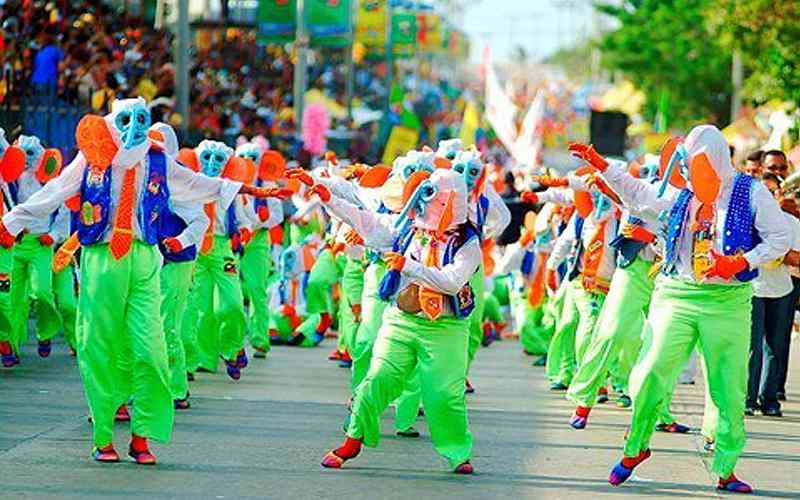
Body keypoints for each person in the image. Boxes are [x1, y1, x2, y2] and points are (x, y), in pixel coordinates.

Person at [0, 98, 286, 464]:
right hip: (103, 258)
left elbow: (195, 183)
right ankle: (103, 434)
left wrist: (248, 190)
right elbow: (54, 191)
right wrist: (12, 222)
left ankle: (142, 434)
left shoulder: (156, 159)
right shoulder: (92, 156)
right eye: (126, 119)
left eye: (140, 119)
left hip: (145, 257)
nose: (133, 126)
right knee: (100, 344)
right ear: (112, 122)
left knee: (151, 347)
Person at [574, 124, 789, 493]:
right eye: (689, 163)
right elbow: (640, 196)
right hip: (676, 292)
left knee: (728, 388)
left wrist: (739, 263)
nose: (692, 170)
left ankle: (725, 468)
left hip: (728, 302)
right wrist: (601, 164)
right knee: (648, 372)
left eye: (700, 163)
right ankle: (635, 447)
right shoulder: (683, 194)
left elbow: (780, 238)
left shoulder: (750, 192)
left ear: (717, 159)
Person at [316, 168, 479, 474]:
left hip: (447, 327)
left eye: (435, 197)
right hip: (401, 320)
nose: (426, 203)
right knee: (376, 379)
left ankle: (458, 452)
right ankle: (353, 438)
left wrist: (410, 266)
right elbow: (366, 221)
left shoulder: (468, 243)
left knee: (444, 394)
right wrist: (328, 199)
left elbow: (452, 282)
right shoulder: (407, 228)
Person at [747, 173, 800, 417]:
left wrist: (779, 254)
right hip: (753, 289)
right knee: (752, 346)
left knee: (776, 346)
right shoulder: (746, 220)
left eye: (772, 192)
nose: (768, 197)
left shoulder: (790, 222)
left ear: (779, 194)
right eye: (763, 193)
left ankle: (769, 399)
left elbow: (797, 258)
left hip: (781, 290)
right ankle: (748, 398)